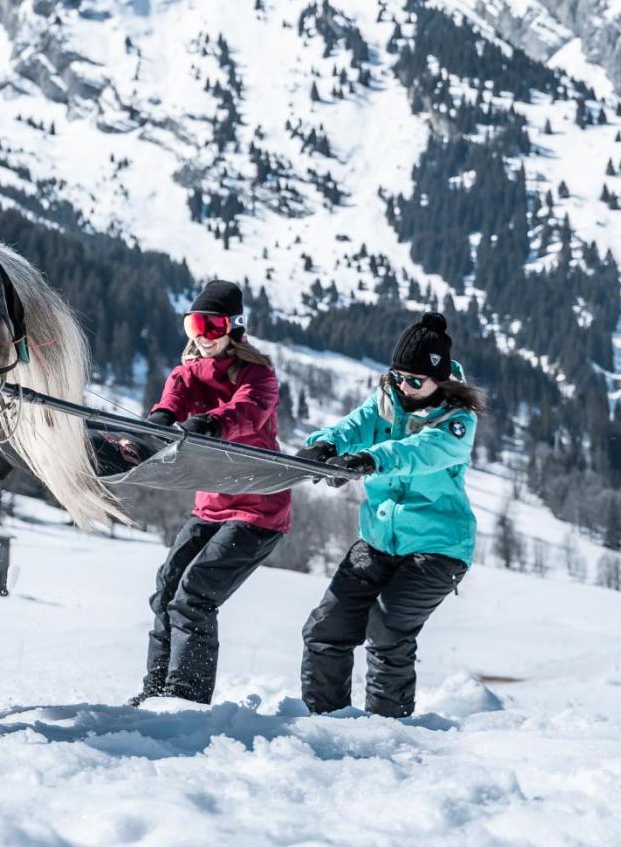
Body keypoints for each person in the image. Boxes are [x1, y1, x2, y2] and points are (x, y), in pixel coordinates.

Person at [294, 312, 486, 717]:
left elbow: (420, 451)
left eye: (415, 380)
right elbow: (353, 426)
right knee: (326, 629)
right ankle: (327, 723)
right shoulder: (386, 401)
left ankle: (387, 730)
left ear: (440, 380)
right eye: (397, 376)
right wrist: (326, 445)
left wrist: (370, 459)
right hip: (379, 541)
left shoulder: (457, 420)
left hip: (439, 548)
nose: (403, 386)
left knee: (387, 631)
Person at [128, 279, 289, 705]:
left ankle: (184, 699)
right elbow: (172, 401)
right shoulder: (187, 373)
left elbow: (248, 411)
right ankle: (155, 692)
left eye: (213, 326)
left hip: (258, 509)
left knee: (194, 595)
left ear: (234, 327)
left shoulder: (259, 375)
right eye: (194, 326)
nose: (202, 336)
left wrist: (214, 423)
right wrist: (159, 421)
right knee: (166, 590)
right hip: (212, 505)